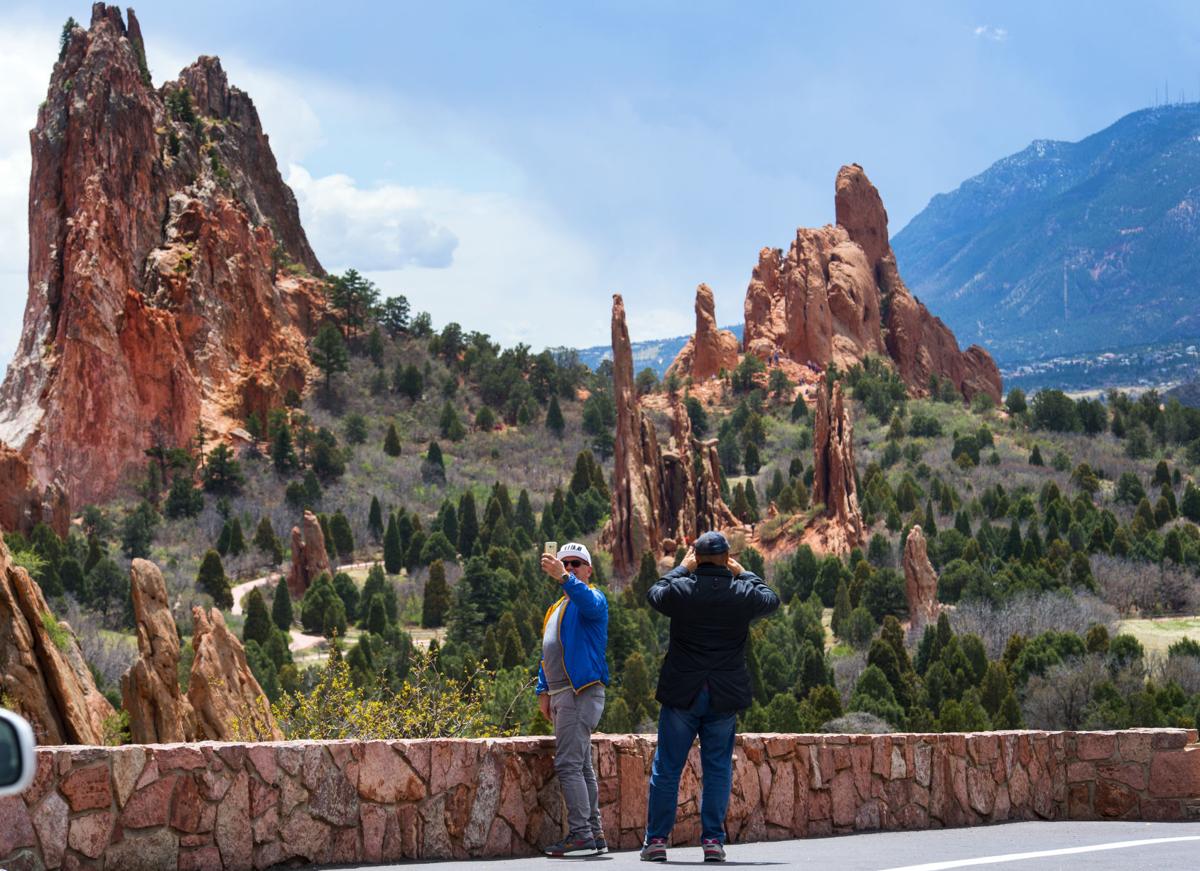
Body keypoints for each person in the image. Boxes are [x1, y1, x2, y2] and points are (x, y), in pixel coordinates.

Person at [641, 531, 780, 863]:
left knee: (668, 768)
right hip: (723, 695)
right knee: (717, 769)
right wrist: (742, 571)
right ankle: (713, 842)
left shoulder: (682, 590)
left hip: (682, 694)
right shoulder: (741, 593)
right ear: (726, 557)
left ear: (696, 556)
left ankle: (657, 840)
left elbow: (654, 593)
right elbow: (771, 598)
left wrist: (682, 569)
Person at [536, 542, 610, 858]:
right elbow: (549, 651)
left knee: (568, 764)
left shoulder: (592, 599)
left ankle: (581, 834)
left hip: (579, 691)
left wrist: (565, 579)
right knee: (580, 765)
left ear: (588, 570)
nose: (569, 567)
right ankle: (594, 832)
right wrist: (543, 690)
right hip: (563, 692)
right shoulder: (556, 608)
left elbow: (588, 602)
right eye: (564, 563)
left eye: (576, 564)